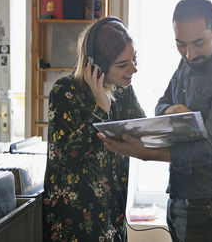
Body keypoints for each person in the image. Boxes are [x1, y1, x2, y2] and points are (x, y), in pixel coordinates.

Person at [98, 0, 212, 242]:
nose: (190, 54)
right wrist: (172, 111)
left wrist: (146, 153)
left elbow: (210, 148)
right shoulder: (186, 62)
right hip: (179, 196)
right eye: (181, 44)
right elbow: (161, 105)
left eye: (198, 43)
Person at [42, 17, 145, 242]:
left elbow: (141, 130)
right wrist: (100, 108)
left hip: (112, 216)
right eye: (123, 64)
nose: (133, 69)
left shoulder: (123, 90)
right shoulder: (64, 91)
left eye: (134, 59)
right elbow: (66, 155)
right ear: (97, 64)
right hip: (73, 222)